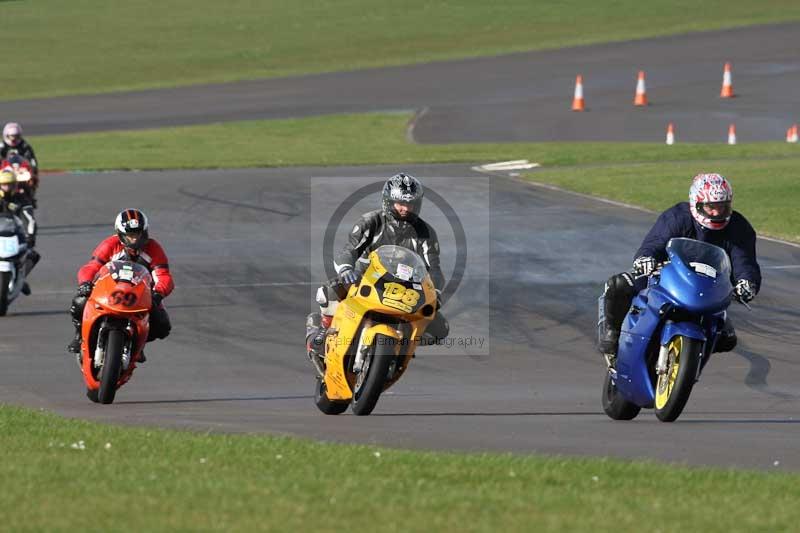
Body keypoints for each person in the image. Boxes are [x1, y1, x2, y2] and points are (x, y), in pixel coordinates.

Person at [598, 173, 761, 359]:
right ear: (696, 204)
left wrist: (748, 282)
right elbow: (655, 242)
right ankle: (612, 334)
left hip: (709, 289)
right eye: (711, 206)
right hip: (666, 277)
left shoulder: (739, 227)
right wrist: (646, 258)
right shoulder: (677, 216)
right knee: (619, 285)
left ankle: (692, 360)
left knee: (727, 339)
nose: (717, 212)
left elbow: (745, 262)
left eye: (722, 206)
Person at [305, 173, 450, 362]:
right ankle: (322, 330)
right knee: (327, 292)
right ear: (388, 201)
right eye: (400, 203)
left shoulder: (426, 233)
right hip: (365, 279)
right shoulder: (370, 222)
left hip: (404, 290)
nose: (405, 209)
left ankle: (403, 346)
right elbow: (349, 250)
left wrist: (435, 291)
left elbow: (434, 269)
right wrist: (346, 269)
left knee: (440, 328)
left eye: (410, 204)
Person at [67, 209, 174, 361]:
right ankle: (79, 336)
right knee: (80, 300)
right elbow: (91, 267)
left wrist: (158, 294)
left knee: (162, 326)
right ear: (120, 234)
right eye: (130, 235)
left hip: (141, 295)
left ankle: (139, 344)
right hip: (108, 290)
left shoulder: (154, 248)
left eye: (138, 234)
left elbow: (164, 276)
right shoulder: (110, 244)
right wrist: (85, 283)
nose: (134, 239)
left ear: (145, 232)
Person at [0, 168, 39, 291]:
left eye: (9, 185)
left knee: (32, 255)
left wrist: (31, 237)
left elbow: (30, 219)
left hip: (15, 234)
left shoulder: (21, 198)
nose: (7, 187)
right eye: (4, 185)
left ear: (14, 185)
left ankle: (21, 279)